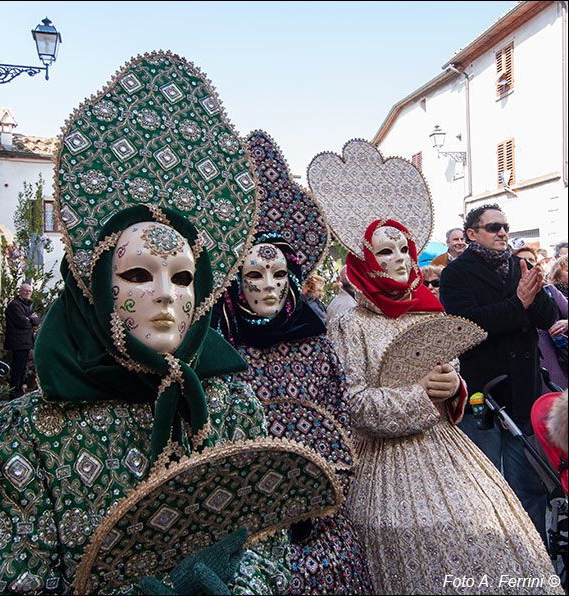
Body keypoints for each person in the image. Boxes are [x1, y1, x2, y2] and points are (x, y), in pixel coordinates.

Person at [0, 51, 299, 596]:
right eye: (138, 273)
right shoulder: (11, 441)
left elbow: (269, 551)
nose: (165, 295)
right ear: (91, 287)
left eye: (183, 279)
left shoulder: (233, 412)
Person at [309, 139, 562, 594]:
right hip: (384, 467)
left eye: (404, 249)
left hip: (448, 446)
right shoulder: (349, 322)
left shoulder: (428, 311)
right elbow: (351, 403)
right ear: (365, 259)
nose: (400, 260)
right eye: (385, 252)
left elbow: (452, 366)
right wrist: (419, 395)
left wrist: (452, 383)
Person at [212, 129, 373, 595]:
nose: (267, 285)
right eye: (254, 274)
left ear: (295, 280)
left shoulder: (316, 342)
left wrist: (319, 499)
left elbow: (340, 425)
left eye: (280, 274)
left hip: (319, 526)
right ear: (233, 282)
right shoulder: (214, 348)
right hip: (238, 524)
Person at [439, 203, 559, 542]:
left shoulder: (520, 266)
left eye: (505, 226)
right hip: (482, 391)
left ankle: (536, 553)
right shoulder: (456, 274)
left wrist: (533, 295)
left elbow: (547, 318)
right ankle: (493, 553)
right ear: (473, 233)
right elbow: (468, 325)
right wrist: (517, 305)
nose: (502, 232)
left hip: (524, 387)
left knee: (530, 483)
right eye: (493, 227)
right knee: (485, 481)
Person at [4, 282, 40, 398]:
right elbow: (22, 322)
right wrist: (30, 319)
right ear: (20, 292)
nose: (27, 293)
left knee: (22, 370)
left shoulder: (28, 305)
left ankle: (19, 392)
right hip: (18, 342)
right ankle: (14, 394)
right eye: (25, 291)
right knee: (17, 370)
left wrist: (30, 319)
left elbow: (36, 321)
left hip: (25, 342)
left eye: (29, 291)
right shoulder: (15, 305)